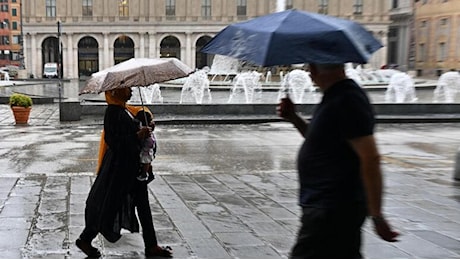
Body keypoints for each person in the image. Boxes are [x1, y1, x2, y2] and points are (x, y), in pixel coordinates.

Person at [277, 63, 399, 258]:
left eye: (310, 69)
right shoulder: (335, 97)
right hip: (325, 204)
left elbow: (370, 157)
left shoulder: (347, 99)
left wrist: (376, 214)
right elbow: (319, 140)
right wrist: (294, 118)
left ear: (316, 70)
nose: (309, 75)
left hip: (332, 206)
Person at [76, 87, 172, 259]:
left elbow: (133, 132)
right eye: (127, 89)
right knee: (106, 206)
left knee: (143, 206)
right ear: (114, 92)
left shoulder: (124, 110)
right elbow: (113, 141)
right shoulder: (113, 112)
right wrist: (137, 135)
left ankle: (151, 245)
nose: (131, 91)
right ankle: (85, 239)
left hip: (131, 168)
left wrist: (147, 128)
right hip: (118, 171)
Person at [135, 109, 157, 181]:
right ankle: (150, 174)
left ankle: (144, 174)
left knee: (145, 162)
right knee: (148, 163)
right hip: (149, 148)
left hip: (146, 150)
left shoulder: (144, 130)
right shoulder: (147, 128)